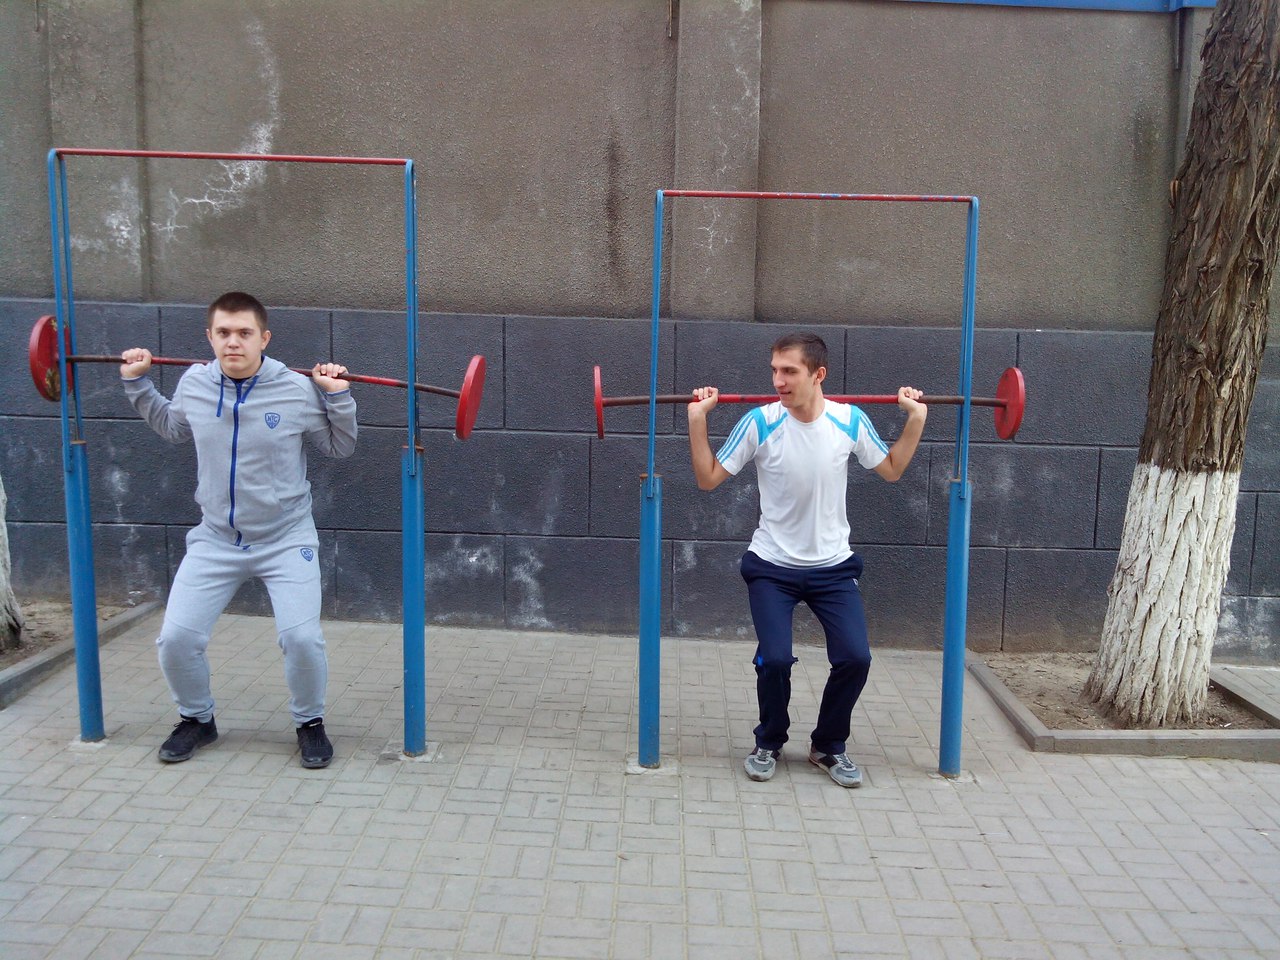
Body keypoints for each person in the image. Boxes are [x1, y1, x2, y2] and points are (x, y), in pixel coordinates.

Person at [119, 291, 357, 769]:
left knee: (302, 639)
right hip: (216, 539)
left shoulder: (295, 389)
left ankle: (309, 722)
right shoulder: (194, 383)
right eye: (224, 333)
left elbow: (340, 447)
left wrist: (338, 397)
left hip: (286, 538)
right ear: (209, 337)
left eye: (244, 333)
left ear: (263, 338)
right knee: (176, 640)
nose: (233, 342)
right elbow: (173, 427)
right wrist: (138, 384)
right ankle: (196, 719)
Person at [687, 332, 926, 787]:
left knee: (856, 658)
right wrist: (698, 420)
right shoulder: (760, 422)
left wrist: (915, 418)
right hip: (771, 567)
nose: (778, 380)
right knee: (775, 660)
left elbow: (892, 469)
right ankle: (769, 740)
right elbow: (708, 478)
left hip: (833, 568)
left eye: (790, 371)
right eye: (775, 371)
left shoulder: (849, 420)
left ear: (818, 375)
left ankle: (828, 746)